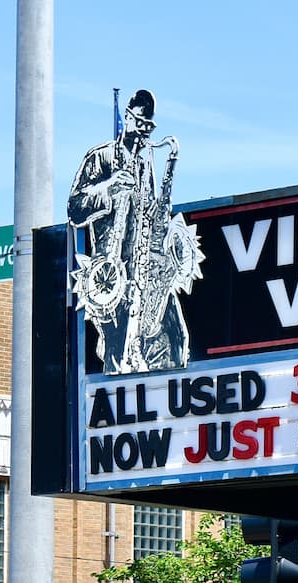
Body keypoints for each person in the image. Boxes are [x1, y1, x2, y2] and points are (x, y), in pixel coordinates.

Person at [67, 89, 200, 376]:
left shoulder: (145, 162)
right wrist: (109, 188)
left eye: (149, 128)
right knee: (120, 358)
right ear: (127, 117)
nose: (143, 133)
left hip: (145, 269)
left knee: (178, 339)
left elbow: (147, 210)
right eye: (140, 124)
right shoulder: (100, 158)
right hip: (111, 276)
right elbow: (74, 207)